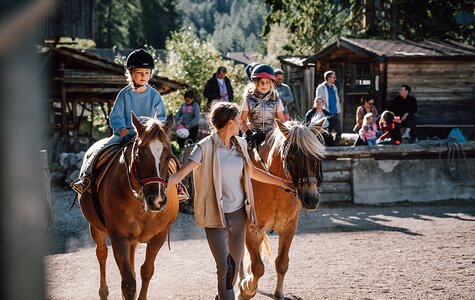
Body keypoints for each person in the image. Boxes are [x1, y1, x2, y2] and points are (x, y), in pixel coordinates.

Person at [167, 102, 293, 300]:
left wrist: (282, 183)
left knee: (234, 268)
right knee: (224, 268)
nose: (241, 123)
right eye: (237, 119)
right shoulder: (204, 147)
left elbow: (252, 171)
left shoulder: (241, 144)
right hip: (216, 217)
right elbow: (181, 174)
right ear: (228, 122)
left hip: (239, 217)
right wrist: (160, 186)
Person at [71, 48, 166, 194]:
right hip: (125, 134)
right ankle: (86, 178)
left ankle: (176, 186)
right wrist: (120, 127)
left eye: (147, 73)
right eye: (140, 72)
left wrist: (152, 132)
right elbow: (115, 116)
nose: (143, 76)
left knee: (167, 156)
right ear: (130, 73)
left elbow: (161, 118)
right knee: (102, 150)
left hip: (148, 139)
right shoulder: (124, 94)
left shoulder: (155, 96)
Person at [240, 64, 285, 148]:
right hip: (253, 136)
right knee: (240, 155)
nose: (264, 85)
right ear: (256, 82)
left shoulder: (276, 99)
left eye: (268, 82)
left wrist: (277, 133)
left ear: (271, 83)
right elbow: (241, 121)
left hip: (271, 136)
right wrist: (249, 134)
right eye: (261, 82)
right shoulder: (248, 99)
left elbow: (281, 121)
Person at [315, 70, 342, 145]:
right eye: (334, 77)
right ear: (328, 78)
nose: (335, 79)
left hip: (335, 112)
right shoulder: (321, 87)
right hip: (326, 113)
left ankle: (335, 148)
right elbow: (318, 100)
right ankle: (324, 148)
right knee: (326, 132)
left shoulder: (334, 87)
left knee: (339, 132)